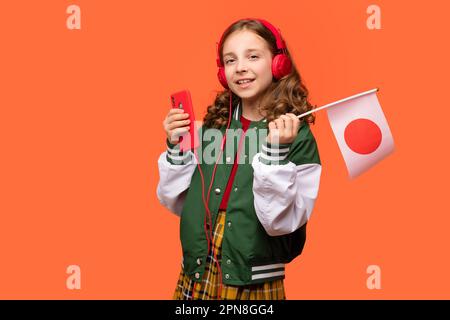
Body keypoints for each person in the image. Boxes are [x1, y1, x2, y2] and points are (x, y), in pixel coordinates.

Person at [157, 18, 322, 300]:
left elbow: (279, 222)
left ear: (278, 63)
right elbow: (178, 201)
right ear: (223, 72)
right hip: (197, 269)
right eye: (230, 60)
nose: (240, 67)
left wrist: (275, 154)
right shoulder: (213, 126)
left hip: (252, 280)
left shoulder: (297, 137)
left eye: (253, 56)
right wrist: (177, 147)